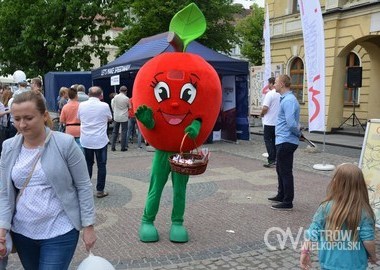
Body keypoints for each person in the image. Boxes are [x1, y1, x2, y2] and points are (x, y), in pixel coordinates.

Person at [0, 91, 96, 269]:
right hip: (23, 231)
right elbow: (5, 193)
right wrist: (3, 228)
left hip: (60, 229)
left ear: (44, 116)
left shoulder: (65, 144)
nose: (22, 124)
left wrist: (88, 226)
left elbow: (83, 185)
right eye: (17, 118)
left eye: (28, 118)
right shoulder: (9, 147)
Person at [300, 163, 377, 270]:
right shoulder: (364, 211)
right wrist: (373, 256)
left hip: (329, 263)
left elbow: (313, 231)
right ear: (360, 184)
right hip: (355, 265)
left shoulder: (325, 207)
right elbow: (368, 240)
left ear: (335, 183)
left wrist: (305, 252)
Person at [268, 74, 300, 211]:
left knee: (285, 171)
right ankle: (281, 195)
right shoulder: (286, 99)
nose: (274, 84)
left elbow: (291, 123)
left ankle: (287, 201)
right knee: (280, 169)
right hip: (283, 139)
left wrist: (298, 133)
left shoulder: (288, 101)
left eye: (275, 82)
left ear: (282, 84)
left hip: (286, 140)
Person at [78, 86, 112, 198]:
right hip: (100, 139)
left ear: (88, 94)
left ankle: (86, 190)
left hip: (86, 139)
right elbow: (109, 118)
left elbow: (79, 118)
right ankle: (100, 190)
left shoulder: (81, 105)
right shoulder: (104, 106)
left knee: (87, 164)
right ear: (101, 95)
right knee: (102, 165)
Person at [260, 77, 279, 168]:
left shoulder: (270, 94)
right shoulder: (281, 94)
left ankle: (271, 160)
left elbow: (265, 108)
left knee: (268, 141)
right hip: (278, 122)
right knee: (275, 141)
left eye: (269, 83)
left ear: (272, 84)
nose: (268, 85)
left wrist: (262, 114)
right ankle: (276, 159)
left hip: (269, 122)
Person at [110, 85, 130, 152]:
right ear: (126, 91)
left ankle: (113, 147)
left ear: (119, 91)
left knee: (115, 131)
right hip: (124, 117)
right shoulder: (126, 98)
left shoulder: (115, 97)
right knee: (124, 132)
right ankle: (123, 147)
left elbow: (113, 105)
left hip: (116, 116)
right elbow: (129, 107)